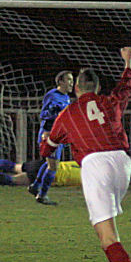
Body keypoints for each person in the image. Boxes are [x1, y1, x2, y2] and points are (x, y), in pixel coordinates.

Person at [40, 47, 131, 262]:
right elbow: (126, 87)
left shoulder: (67, 113)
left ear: (77, 89)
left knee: (107, 237)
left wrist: (49, 159)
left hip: (96, 165)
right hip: (123, 164)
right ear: (97, 87)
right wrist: (129, 62)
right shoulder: (109, 102)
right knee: (109, 230)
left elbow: (49, 143)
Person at [28, 70, 73, 205]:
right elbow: (44, 114)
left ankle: (35, 186)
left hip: (58, 135)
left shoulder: (66, 98)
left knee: (50, 164)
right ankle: (42, 195)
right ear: (61, 82)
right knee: (53, 166)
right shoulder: (52, 95)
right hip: (48, 134)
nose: (71, 83)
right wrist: (53, 111)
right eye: (69, 80)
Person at [0, 158, 81, 192]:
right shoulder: (90, 178)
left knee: (14, 167)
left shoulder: (83, 163)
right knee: (13, 180)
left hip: (43, 164)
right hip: (48, 176)